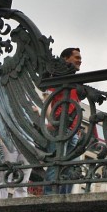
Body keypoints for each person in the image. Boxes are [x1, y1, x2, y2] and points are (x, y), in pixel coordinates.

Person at [43, 47, 83, 195]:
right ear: (65, 59)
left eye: (80, 58)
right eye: (76, 57)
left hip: (73, 130)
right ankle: (49, 197)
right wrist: (52, 121)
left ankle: (64, 197)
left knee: (71, 168)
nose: (80, 61)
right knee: (56, 164)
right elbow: (46, 100)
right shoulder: (57, 78)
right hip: (60, 127)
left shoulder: (74, 83)